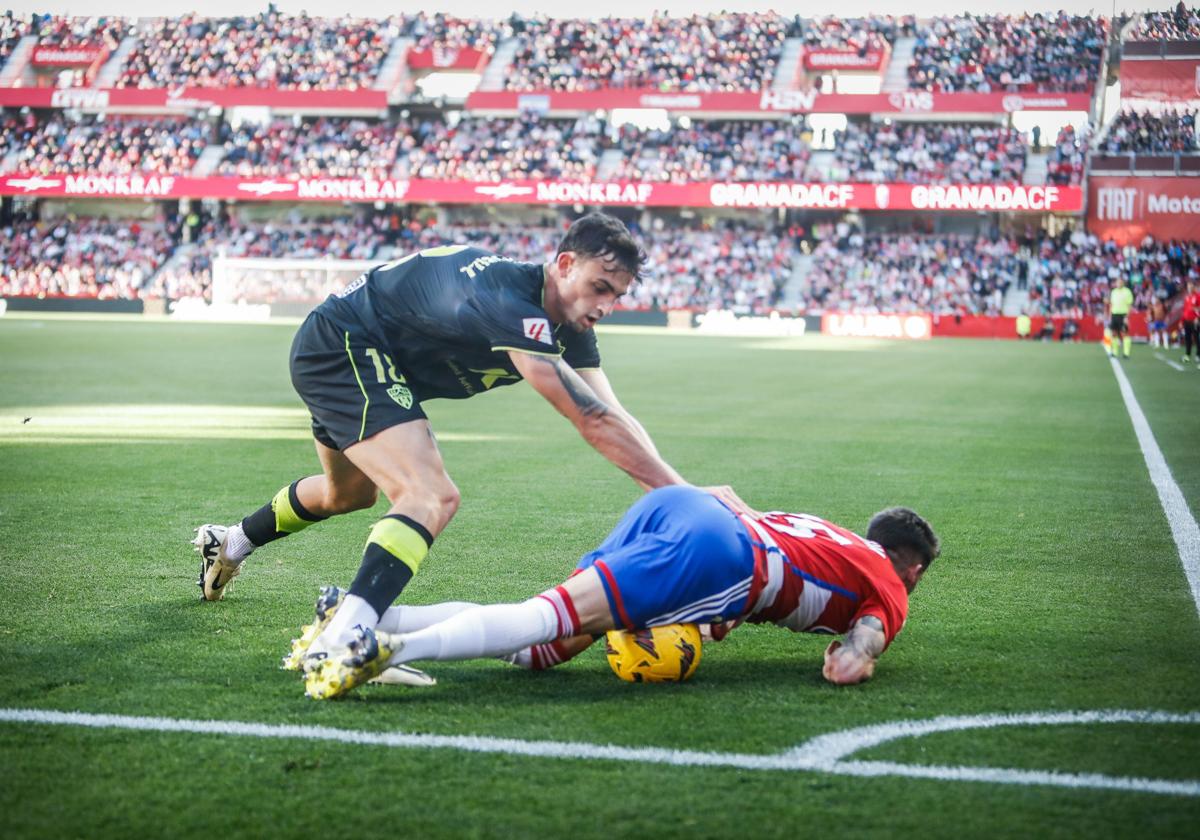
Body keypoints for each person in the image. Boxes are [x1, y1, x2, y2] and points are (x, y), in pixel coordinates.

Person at [193, 215, 750, 660]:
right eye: (598, 287)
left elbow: (613, 414)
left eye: (615, 296)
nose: (603, 307)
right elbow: (590, 422)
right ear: (562, 265)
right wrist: (691, 503)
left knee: (349, 496)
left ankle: (233, 541)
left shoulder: (570, 325)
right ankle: (345, 637)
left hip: (371, 361)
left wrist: (681, 492)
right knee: (430, 494)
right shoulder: (511, 300)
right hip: (346, 344)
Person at [297, 485, 940, 699]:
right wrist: (856, 656)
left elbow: (774, 588)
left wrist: (715, 620)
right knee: (541, 619)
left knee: (543, 649)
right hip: (722, 557)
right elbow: (868, 635)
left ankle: (373, 613)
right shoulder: (888, 583)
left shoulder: (833, 535)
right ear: (909, 567)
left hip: (683, 508)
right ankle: (380, 645)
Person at [1106, 277, 1134, 359]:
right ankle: (1114, 353)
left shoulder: (1127, 292)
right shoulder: (1114, 292)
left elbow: (1129, 305)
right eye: (1117, 282)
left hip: (1123, 315)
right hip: (1114, 315)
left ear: (1123, 283)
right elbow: (1111, 304)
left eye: (1120, 282)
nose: (1118, 284)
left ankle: (1126, 353)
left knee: (1125, 333)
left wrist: (1127, 316)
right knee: (1114, 334)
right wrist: (1110, 315)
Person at [1182, 279, 1200, 367]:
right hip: (1186, 320)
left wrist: (1197, 318)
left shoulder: (1197, 296)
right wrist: (1182, 320)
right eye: (1188, 286)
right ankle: (1187, 355)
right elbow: (1185, 309)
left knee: (1197, 338)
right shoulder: (1187, 297)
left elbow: (1199, 308)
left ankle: (1198, 355)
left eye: (1191, 285)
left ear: (1194, 286)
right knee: (1187, 338)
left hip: (1194, 321)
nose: (1189, 287)